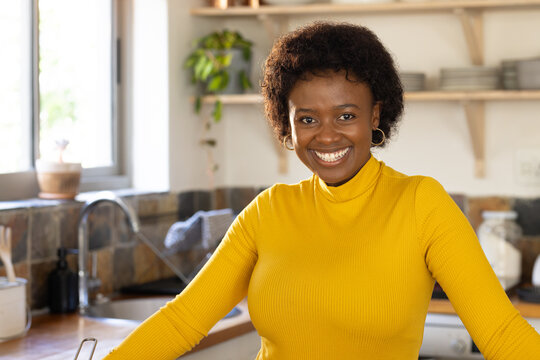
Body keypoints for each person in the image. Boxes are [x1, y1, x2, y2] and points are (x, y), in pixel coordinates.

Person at [104, 22, 540, 359]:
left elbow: (501, 332)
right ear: (287, 125)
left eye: (346, 115)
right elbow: (183, 320)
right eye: (308, 119)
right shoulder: (268, 212)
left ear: (375, 115)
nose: (327, 136)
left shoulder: (421, 204)